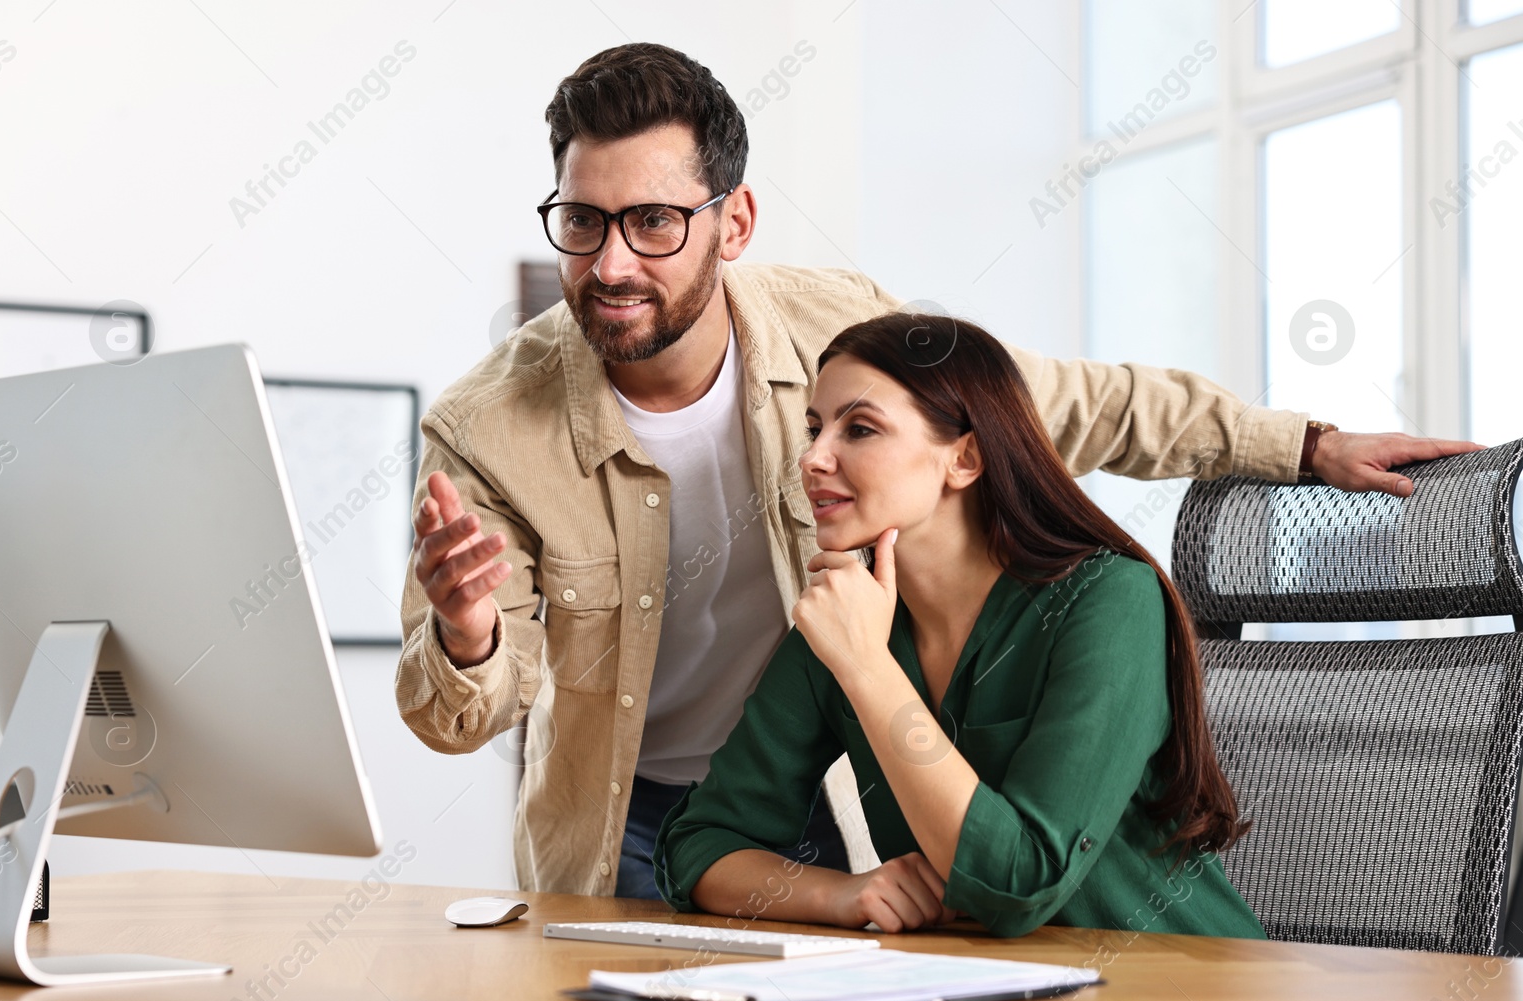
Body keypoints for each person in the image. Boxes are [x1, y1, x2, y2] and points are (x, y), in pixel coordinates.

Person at [395, 42, 1478, 900]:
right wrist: (469, 632)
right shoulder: (487, 427)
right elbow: (454, 713)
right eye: (582, 222)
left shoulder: (834, 329)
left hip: (835, 771)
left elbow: (1059, 400)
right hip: (620, 814)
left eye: (652, 222)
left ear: (735, 222)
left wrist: (1296, 443)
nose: (611, 262)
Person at [653, 313, 1267, 938]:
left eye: (859, 429)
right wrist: (845, 894)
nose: (813, 458)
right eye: (815, 429)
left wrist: (867, 668)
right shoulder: (849, 620)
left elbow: (1019, 886)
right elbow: (697, 847)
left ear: (965, 458)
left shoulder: (1109, 601)